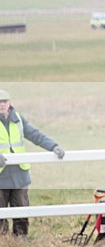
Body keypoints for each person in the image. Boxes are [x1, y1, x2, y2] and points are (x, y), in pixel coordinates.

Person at [0, 89, 65, 236]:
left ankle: (20, 243)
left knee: (22, 212)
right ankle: (3, 245)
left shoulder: (18, 119)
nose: (1, 105)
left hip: (19, 175)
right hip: (1, 176)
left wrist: (53, 146)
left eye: (4, 101)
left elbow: (35, 135)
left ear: (9, 103)